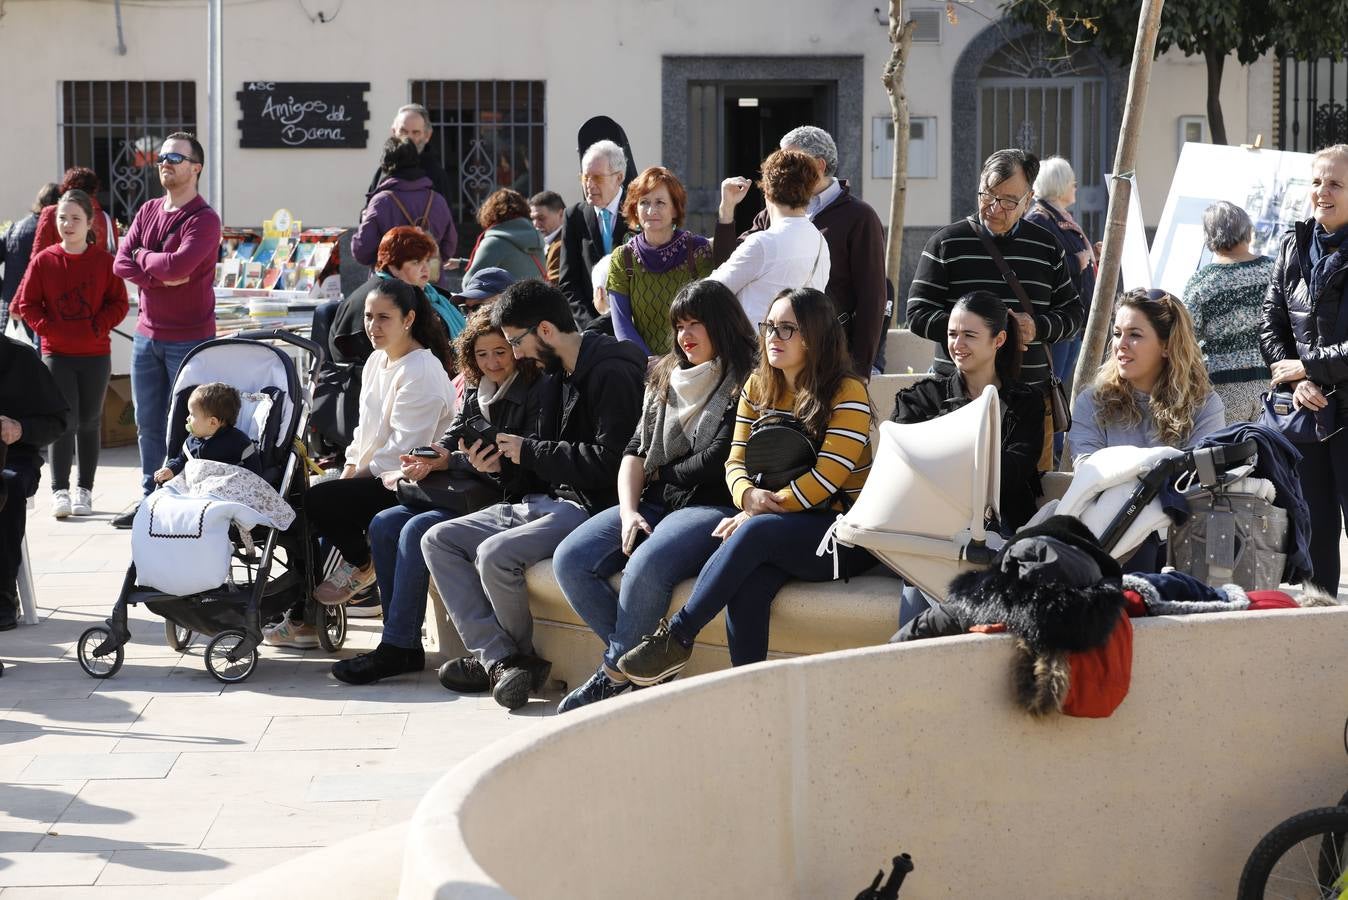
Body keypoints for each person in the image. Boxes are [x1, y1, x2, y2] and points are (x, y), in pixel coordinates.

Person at [616, 287, 876, 685]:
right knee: (747, 584)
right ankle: (748, 692)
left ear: (816, 334)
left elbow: (826, 480)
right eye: (770, 326)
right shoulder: (758, 385)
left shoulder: (848, 391)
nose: (773, 336)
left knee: (755, 534)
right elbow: (735, 462)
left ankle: (679, 636)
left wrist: (755, 510)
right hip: (782, 526)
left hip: (843, 533)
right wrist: (747, 496)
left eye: (787, 328)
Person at [427, 280, 646, 709]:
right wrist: (501, 464)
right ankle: (502, 661)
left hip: (589, 508)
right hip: (545, 502)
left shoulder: (611, 371)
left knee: (494, 554)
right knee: (437, 540)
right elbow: (539, 467)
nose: (516, 354)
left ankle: (515, 664)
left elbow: (612, 462)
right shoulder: (554, 375)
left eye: (514, 342)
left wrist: (528, 450)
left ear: (544, 330)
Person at [551, 279, 758, 712]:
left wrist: (658, 471)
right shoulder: (663, 375)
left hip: (711, 504)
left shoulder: (747, 379)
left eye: (697, 323)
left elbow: (716, 458)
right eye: (680, 325)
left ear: (722, 324)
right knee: (571, 559)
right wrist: (628, 512)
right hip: (654, 499)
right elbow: (634, 450)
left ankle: (613, 675)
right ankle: (644, 667)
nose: (686, 335)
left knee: (644, 565)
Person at [331, 307, 542, 684]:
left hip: (504, 497)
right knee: (383, 523)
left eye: (500, 351)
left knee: (416, 530)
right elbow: (454, 434)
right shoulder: (478, 389)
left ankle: (397, 646)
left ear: (515, 350)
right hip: (467, 492)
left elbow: (513, 460)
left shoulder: (533, 391)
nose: (492, 362)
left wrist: (453, 461)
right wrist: (428, 457)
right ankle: (401, 639)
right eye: (482, 354)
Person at [264, 279, 456, 650]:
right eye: (369, 316)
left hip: (414, 482)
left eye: (384, 317)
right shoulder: (376, 360)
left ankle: (359, 562)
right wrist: (350, 467)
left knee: (319, 500)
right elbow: (364, 434)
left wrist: (351, 478)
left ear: (409, 319)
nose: (373, 326)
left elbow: (403, 450)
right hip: (377, 476)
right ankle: (304, 616)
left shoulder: (421, 370)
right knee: (291, 507)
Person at [907, 148, 1083, 471]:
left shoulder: (1047, 247)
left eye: (1008, 200)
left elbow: (1073, 315)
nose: (994, 207)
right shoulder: (947, 243)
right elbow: (917, 314)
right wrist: (973, 332)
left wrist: (1037, 327)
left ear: (1028, 200)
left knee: (1030, 501)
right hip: (958, 398)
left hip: (1030, 401)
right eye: (987, 194)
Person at [111, 132, 223, 523]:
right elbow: (121, 263)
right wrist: (156, 267)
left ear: (196, 168)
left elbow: (180, 267)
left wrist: (150, 263)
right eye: (162, 156)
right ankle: (149, 499)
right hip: (147, 336)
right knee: (147, 422)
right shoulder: (146, 212)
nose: (165, 162)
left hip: (190, 339)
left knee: (187, 424)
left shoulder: (204, 219)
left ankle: (181, 499)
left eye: (176, 156)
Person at [714, 126, 887, 375]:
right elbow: (729, 265)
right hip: (771, 352)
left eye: (791, 161)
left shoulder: (860, 217)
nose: (781, 169)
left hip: (825, 354)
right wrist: (727, 211)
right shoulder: (769, 214)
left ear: (818, 166)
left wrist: (860, 370)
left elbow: (873, 297)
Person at [1260, 143, 1348, 594]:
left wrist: (1308, 367)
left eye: (1334, 183)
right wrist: (1295, 377)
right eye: (1316, 182)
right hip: (1305, 417)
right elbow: (1269, 324)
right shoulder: (1293, 244)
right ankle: (1323, 636)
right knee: (1313, 536)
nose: (1322, 192)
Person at [11, 189, 129, 518]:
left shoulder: (104, 262)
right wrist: (48, 328)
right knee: (62, 422)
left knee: (89, 423)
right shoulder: (45, 260)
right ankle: (59, 489)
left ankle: (85, 490)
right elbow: (27, 304)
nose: (68, 224)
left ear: (90, 223)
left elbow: (118, 302)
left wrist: (98, 325)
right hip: (56, 354)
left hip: (94, 354)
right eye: (63, 217)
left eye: (76, 218)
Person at [893, 291, 1045, 532]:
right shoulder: (920, 398)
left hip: (1001, 523)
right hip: (928, 517)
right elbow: (901, 463)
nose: (957, 345)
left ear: (999, 340)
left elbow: (1013, 472)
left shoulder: (1025, 402)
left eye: (970, 336)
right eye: (952, 334)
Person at [1069, 288, 1225, 462]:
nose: (1121, 344)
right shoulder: (1092, 403)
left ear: (1167, 346)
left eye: (1134, 334)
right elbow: (1088, 475)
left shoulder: (1203, 405)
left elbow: (1199, 478)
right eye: (1117, 333)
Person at [708, 150, 829, 329]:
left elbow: (708, 293)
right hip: (801, 349)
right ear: (810, 191)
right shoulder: (821, 242)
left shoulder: (763, 243)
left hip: (756, 350)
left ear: (766, 190)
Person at [605, 166, 713, 357]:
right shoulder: (622, 258)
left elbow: (711, 317)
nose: (651, 210)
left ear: (674, 208)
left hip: (694, 364)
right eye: (644, 202)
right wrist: (649, 362)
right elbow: (622, 324)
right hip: (644, 367)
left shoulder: (698, 251)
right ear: (634, 209)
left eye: (660, 202)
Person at [1182, 200, 1274, 422]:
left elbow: (1185, 337)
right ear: (1248, 231)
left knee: (1226, 453)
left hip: (1221, 389)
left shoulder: (1202, 281)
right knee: (1268, 453)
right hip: (1272, 385)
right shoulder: (1274, 270)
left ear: (1209, 237)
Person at [0, 335, 68, 630]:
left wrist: (20, 428)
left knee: (7, 485)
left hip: (13, 457)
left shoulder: (20, 358)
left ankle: (2, 596)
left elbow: (57, 422)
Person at [1023, 156, 1096, 400]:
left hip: (1073, 321)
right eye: (1071, 181)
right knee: (1052, 392)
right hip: (1058, 322)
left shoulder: (1060, 216)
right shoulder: (1039, 219)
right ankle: (1050, 439)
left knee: (1060, 390)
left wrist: (1091, 255)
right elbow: (1040, 265)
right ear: (1060, 184)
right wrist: (1077, 262)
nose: (1075, 185)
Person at [352, 138, 458, 290]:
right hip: (432, 289)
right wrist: (424, 260)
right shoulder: (437, 200)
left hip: (390, 291)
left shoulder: (381, 202)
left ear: (386, 164)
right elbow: (449, 247)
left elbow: (362, 252)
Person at [558, 140, 631, 330]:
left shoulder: (639, 211)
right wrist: (592, 326)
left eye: (597, 178)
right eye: (585, 177)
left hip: (635, 324)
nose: (589, 185)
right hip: (591, 327)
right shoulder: (574, 216)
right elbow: (568, 282)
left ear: (619, 177)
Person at [152, 382, 261, 483]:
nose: (187, 418)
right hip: (196, 490)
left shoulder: (239, 443)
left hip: (228, 492)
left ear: (212, 422)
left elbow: (254, 473)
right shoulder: (191, 442)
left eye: (192, 415)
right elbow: (181, 460)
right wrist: (171, 469)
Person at [364, 104, 453, 215]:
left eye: (415, 132)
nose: (408, 138)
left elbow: (446, 222)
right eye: (403, 131)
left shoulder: (436, 174)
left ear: (427, 136)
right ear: (393, 132)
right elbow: (366, 213)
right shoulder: (383, 171)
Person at [1, 182, 60, 343]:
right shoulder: (52, 232)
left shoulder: (14, 228)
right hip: (37, 310)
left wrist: (4, 291)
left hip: (9, 309)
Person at [31, 167, 118, 259]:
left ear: (67, 188)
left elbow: (38, 255)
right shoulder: (106, 219)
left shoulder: (51, 213)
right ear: (93, 190)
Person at [464, 188, 546, 284]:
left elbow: (469, 283)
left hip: (506, 299)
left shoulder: (494, 242)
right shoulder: (536, 239)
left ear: (490, 213)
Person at [529, 190, 566, 283]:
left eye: (541, 218)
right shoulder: (543, 242)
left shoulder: (562, 244)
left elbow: (551, 285)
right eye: (532, 219)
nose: (535, 224)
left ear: (561, 214)